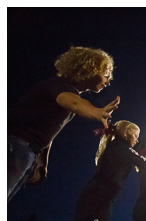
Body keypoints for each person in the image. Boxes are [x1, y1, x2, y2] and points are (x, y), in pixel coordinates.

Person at [8, 46, 120, 201]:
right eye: (106, 75)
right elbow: (75, 103)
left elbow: (48, 132)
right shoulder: (60, 86)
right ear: (90, 68)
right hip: (14, 145)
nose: (108, 82)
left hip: (27, 151)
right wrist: (96, 112)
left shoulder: (64, 90)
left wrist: (42, 162)